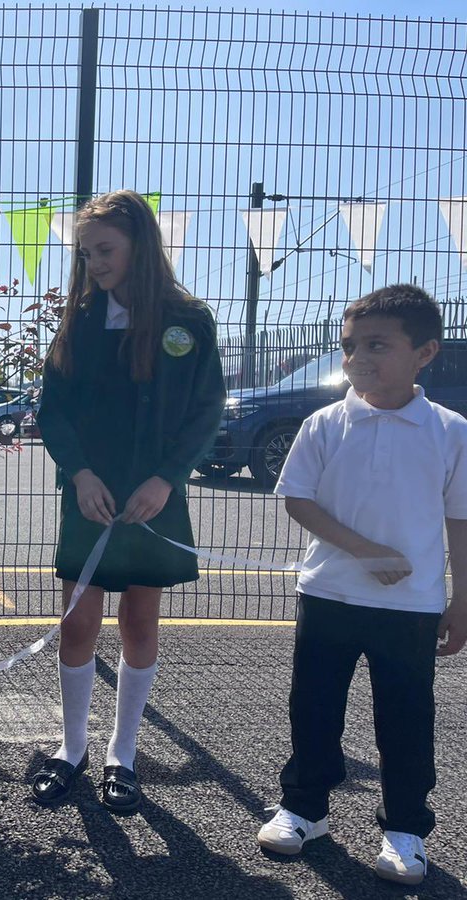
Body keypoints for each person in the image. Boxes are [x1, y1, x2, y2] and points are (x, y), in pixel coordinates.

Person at [256, 284, 467, 886]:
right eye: (349, 347)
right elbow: (297, 498)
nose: (358, 359)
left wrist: (462, 600)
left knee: (406, 715)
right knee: (314, 708)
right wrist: (365, 551)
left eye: (377, 345)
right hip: (328, 595)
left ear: (424, 352)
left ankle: (404, 828)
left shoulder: (450, 432)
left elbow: (461, 521)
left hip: (412, 605)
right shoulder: (325, 422)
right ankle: (303, 808)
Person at [29, 190, 225, 814]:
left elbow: (205, 411)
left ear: (141, 244)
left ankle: (124, 754)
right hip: (89, 498)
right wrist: (79, 473)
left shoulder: (189, 320)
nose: (93, 265)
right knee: (78, 623)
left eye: (104, 250)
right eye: (86, 254)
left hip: (151, 500)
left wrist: (167, 478)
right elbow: (52, 410)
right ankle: (71, 748)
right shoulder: (80, 320)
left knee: (139, 623)